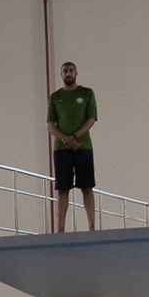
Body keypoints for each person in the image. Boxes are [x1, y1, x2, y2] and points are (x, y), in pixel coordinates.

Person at [46, 62, 98, 232]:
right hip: (61, 149)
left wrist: (75, 137)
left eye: (71, 70)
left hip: (83, 146)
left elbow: (91, 118)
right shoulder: (55, 97)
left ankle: (92, 227)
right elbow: (50, 124)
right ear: (61, 74)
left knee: (87, 187)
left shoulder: (87, 93)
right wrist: (65, 140)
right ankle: (60, 230)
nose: (68, 73)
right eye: (65, 71)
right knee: (62, 189)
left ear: (76, 73)